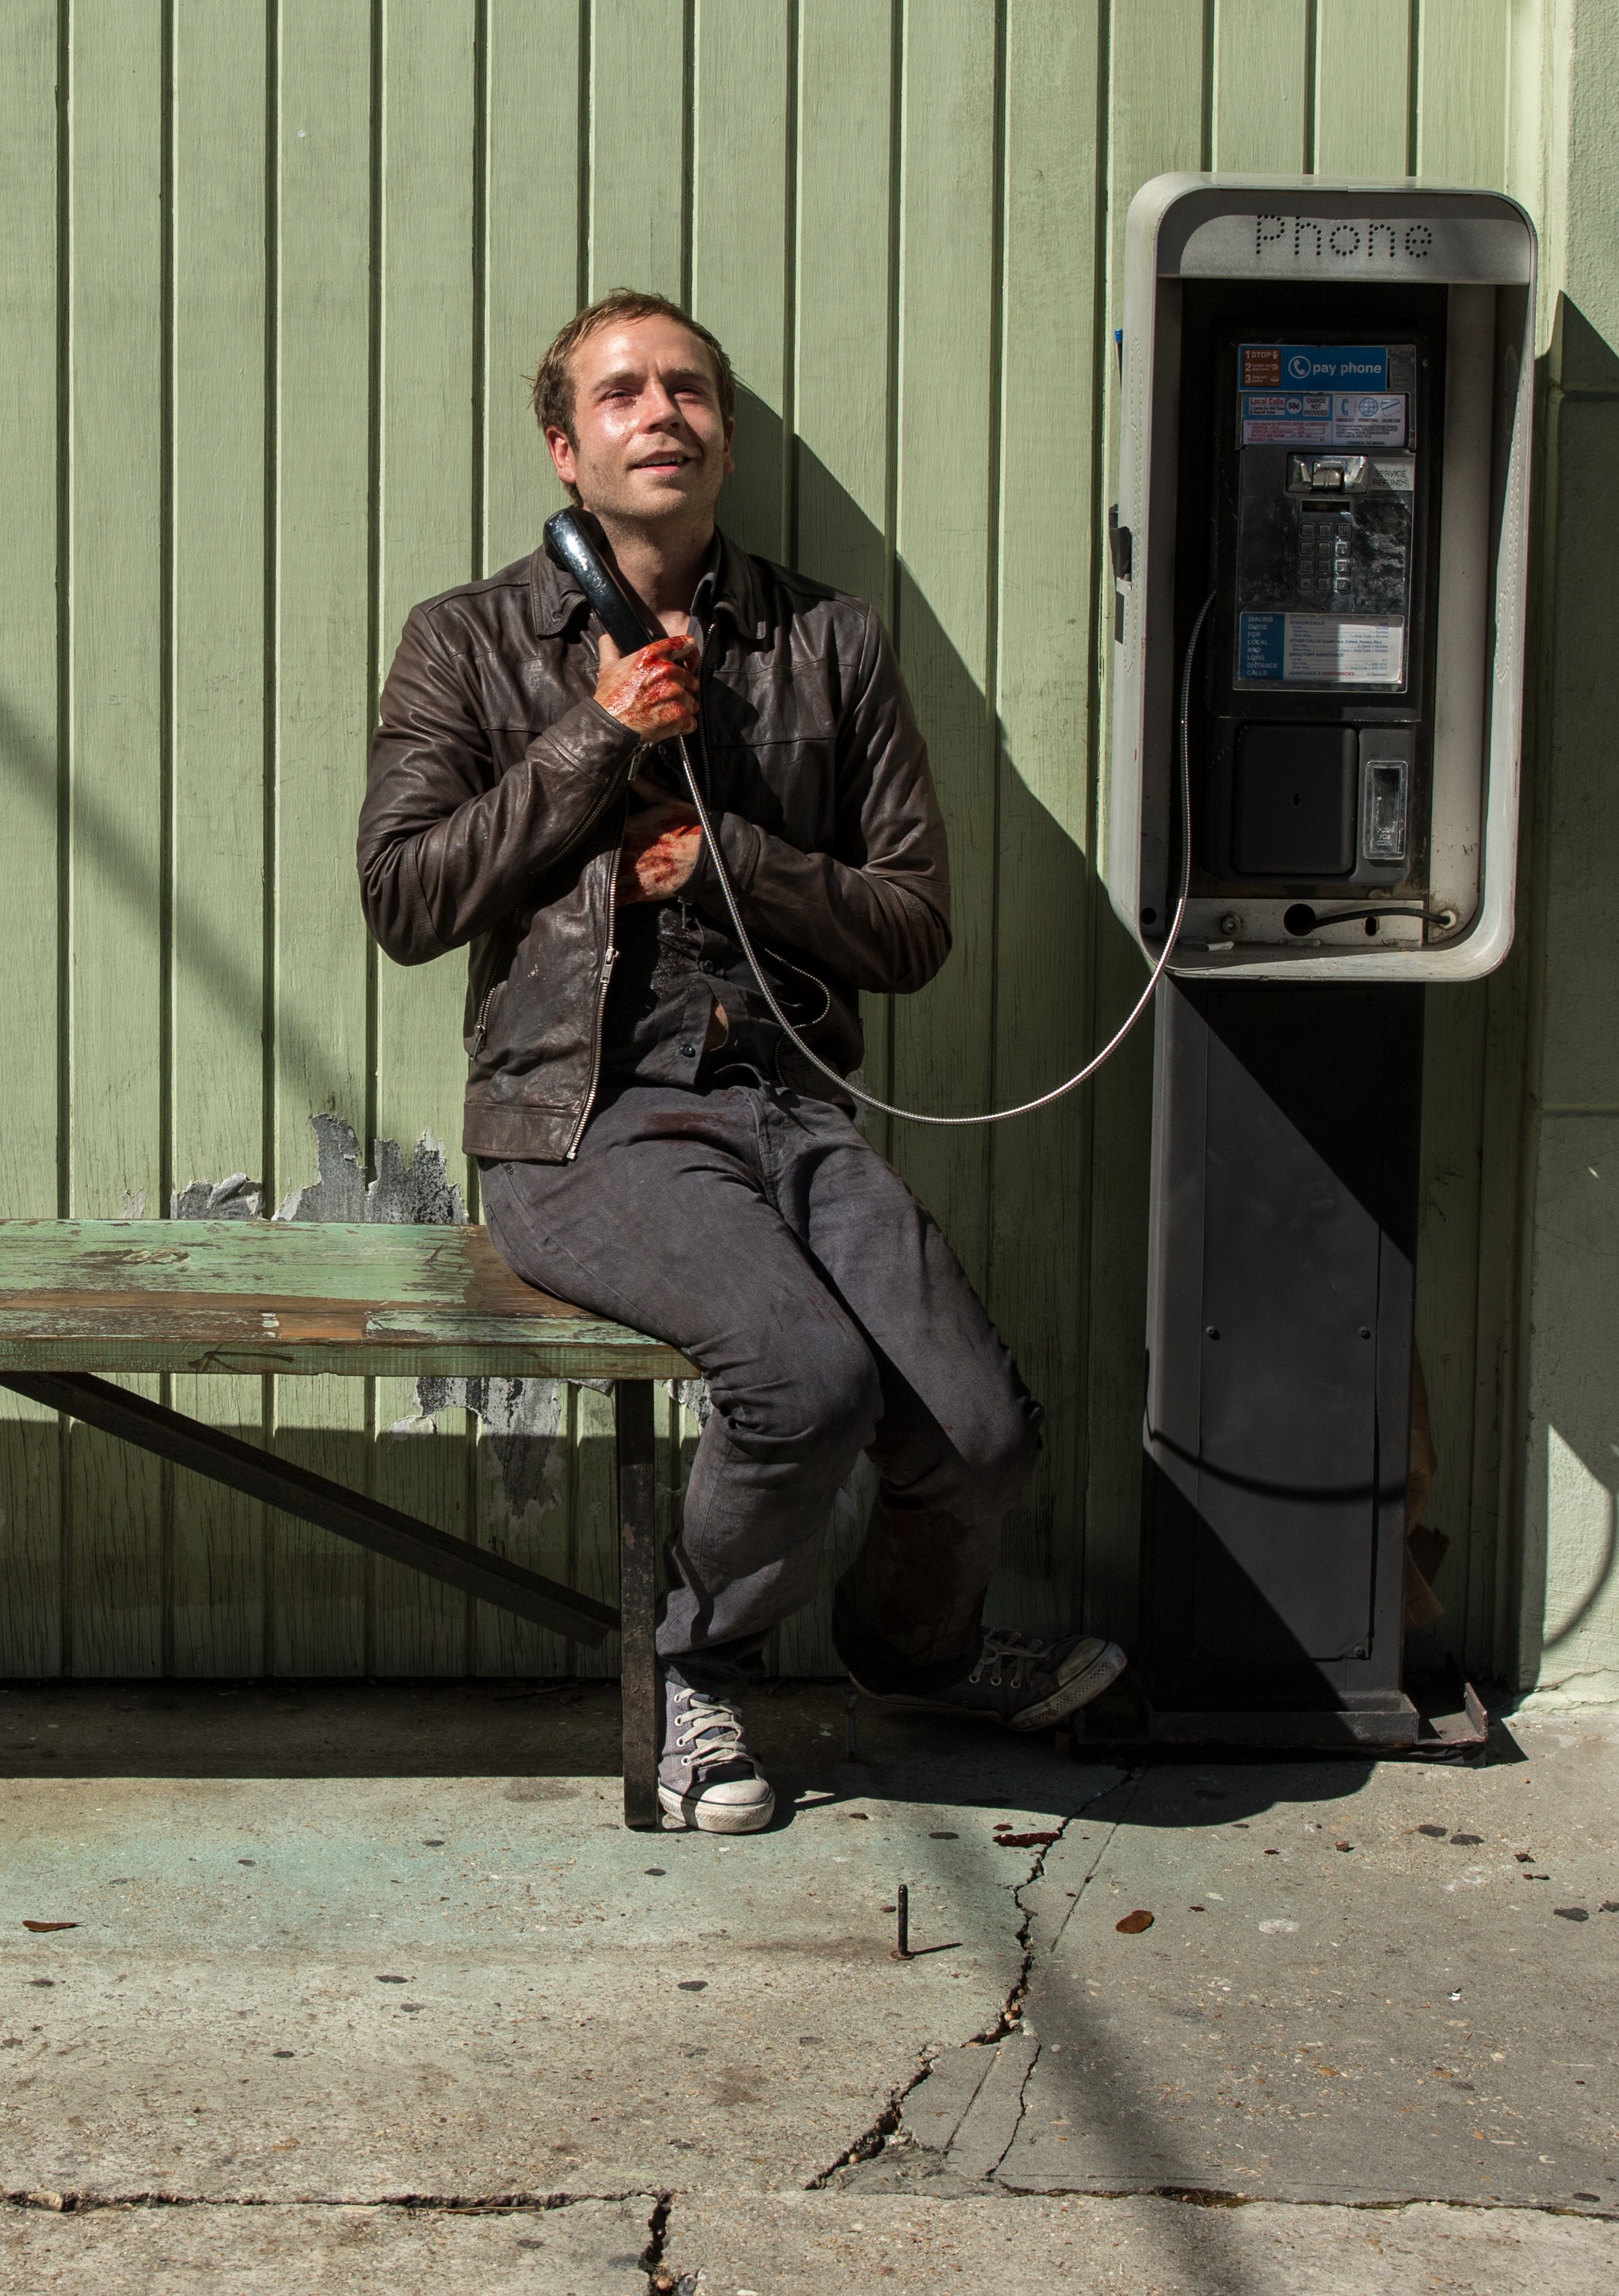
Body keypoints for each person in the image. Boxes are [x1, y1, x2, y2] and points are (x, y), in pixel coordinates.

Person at [356, 290, 1127, 1833]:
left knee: (980, 1432)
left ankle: (916, 1651)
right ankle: (694, 1673)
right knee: (802, 1382)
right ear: (565, 448)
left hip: (784, 1103)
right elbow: (405, 899)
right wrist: (593, 736)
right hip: (584, 1119)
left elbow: (912, 925)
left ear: (724, 435)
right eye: (622, 393)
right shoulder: (468, 640)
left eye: (689, 389)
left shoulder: (828, 643)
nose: (663, 413)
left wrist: (731, 863)